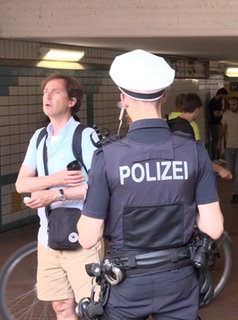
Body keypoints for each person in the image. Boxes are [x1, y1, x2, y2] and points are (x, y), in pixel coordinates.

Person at [77, 49, 224, 320]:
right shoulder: (194, 152)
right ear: (164, 97)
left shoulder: (108, 156)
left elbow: (87, 238)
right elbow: (213, 228)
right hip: (179, 280)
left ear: (122, 99)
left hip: (126, 284)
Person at [15, 73, 103, 320]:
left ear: (72, 101)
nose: (47, 96)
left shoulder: (85, 136)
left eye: (55, 92)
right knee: (61, 306)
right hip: (48, 237)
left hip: (83, 238)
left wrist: (54, 195)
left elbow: (100, 187)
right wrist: (56, 180)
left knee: (92, 308)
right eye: (45, 92)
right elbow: (22, 183)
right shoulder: (39, 138)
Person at [170, 92, 232, 179]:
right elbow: (198, 155)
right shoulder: (191, 126)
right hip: (188, 173)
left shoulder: (168, 121)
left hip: (172, 172)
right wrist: (219, 169)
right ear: (197, 110)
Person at [208, 87, 228, 161]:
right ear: (221, 94)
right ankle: (215, 157)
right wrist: (223, 110)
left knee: (219, 140)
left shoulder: (219, 101)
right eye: (225, 95)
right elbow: (216, 114)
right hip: (215, 124)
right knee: (215, 140)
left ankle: (218, 157)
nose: (225, 98)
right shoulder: (214, 102)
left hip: (218, 123)